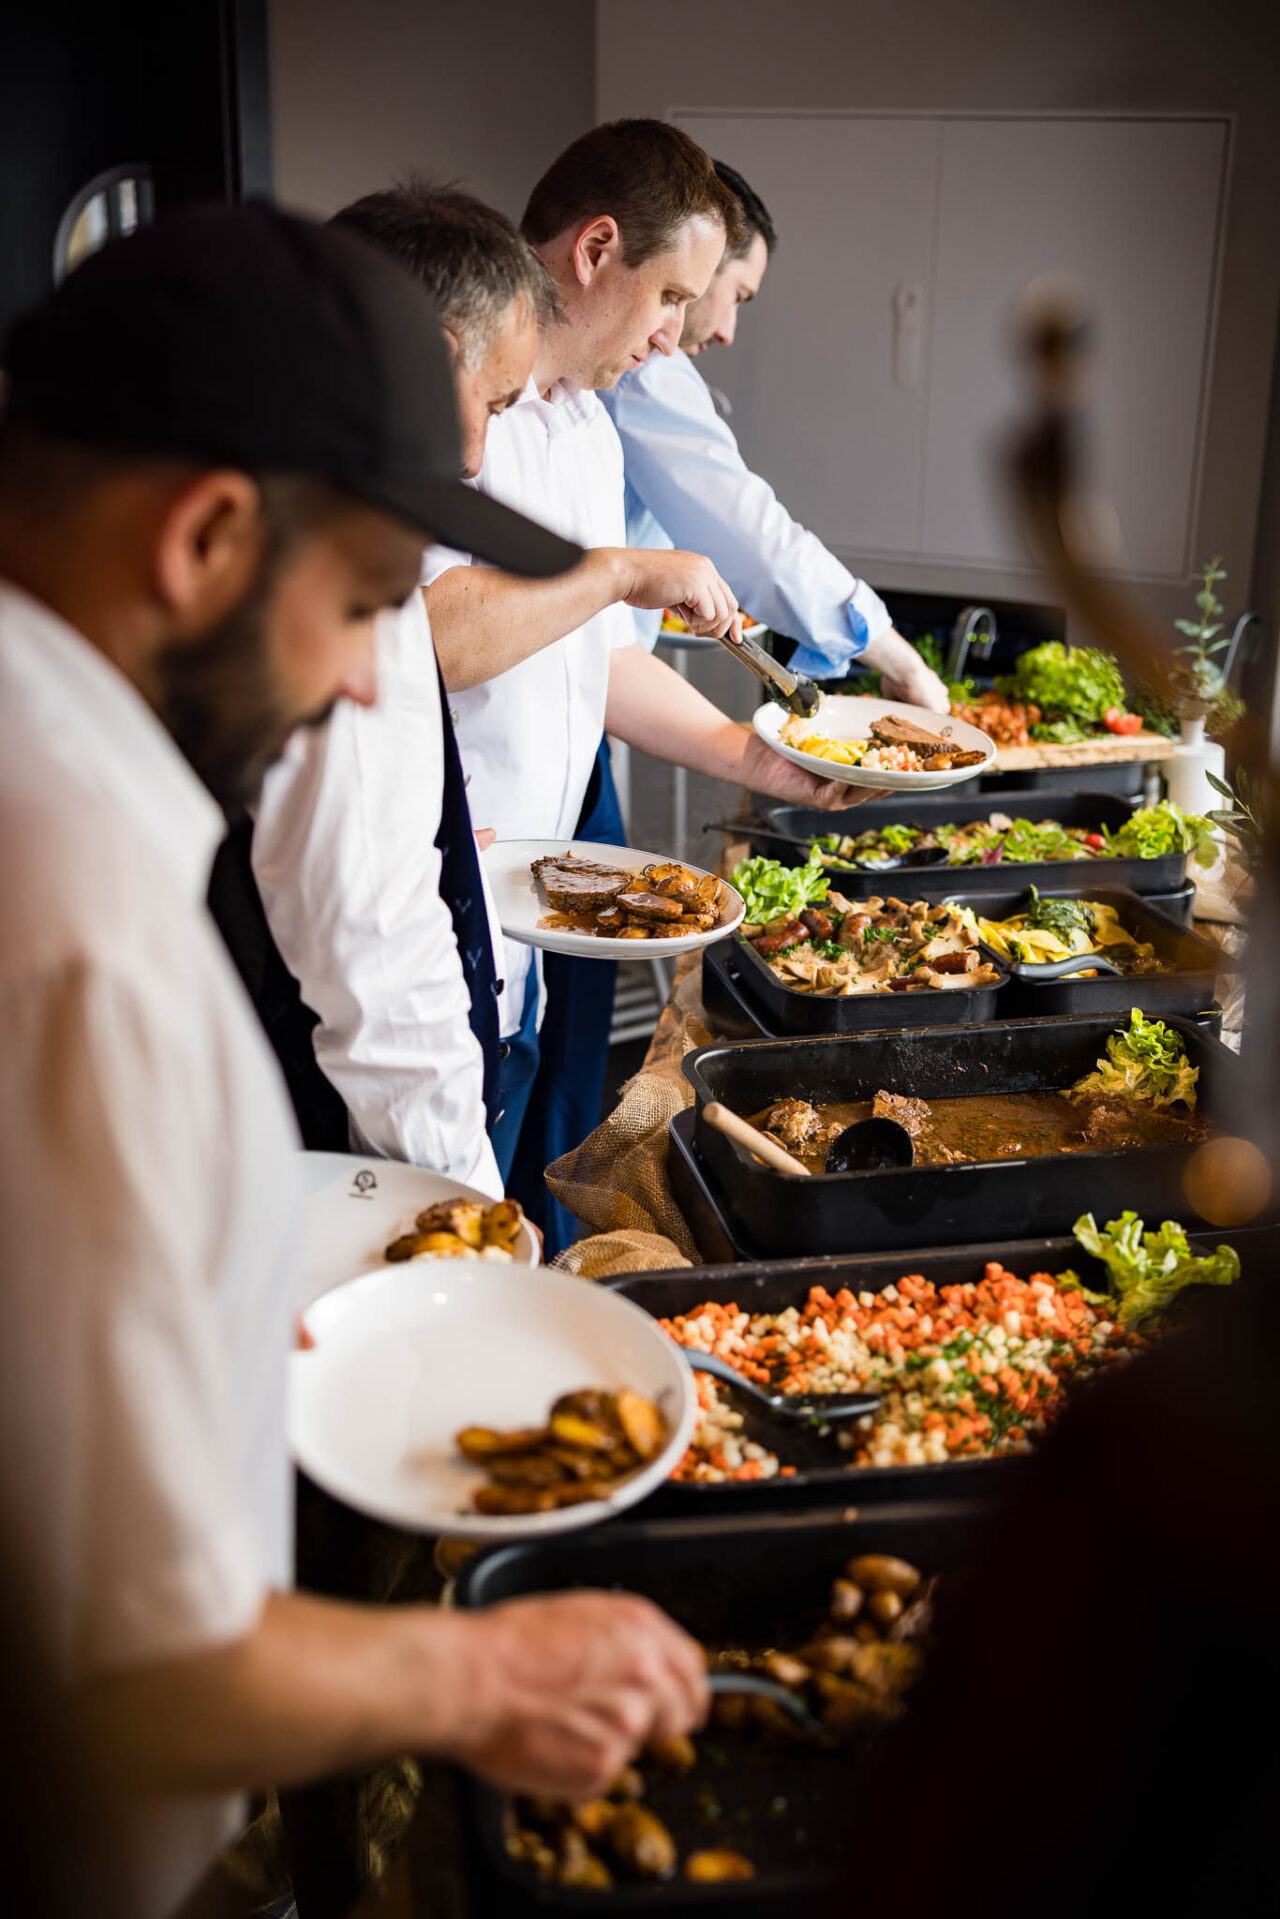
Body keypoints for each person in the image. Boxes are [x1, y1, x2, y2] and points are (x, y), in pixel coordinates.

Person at [0, 205, 706, 1919]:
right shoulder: (75, 920)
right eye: (363, 607)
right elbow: (137, 1671)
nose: (358, 681)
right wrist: (498, 1674)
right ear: (210, 538)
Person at [424, 120, 865, 1248]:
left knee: (521, 1183)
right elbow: (432, 638)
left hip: (527, 899)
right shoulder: (464, 406)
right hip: (434, 902)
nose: (675, 337)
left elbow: (598, 659)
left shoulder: (587, 427)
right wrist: (619, 569)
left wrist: (751, 758)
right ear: (595, 249)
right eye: (670, 297)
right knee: (451, 1217)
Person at [247, 180, 563, 1193]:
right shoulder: (334, 567)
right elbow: (372, 952)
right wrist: (471, 1210)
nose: (477, 458)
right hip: (290, 1143)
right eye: (491, 404)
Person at [602, 160, 950, 708]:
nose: (727, 332)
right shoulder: (640, 373)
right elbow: (749, 533)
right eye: (737, 295)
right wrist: (897, 658)